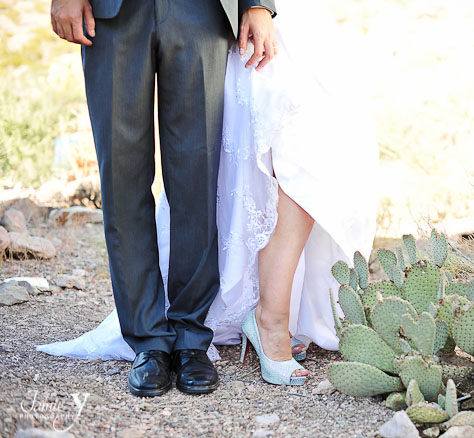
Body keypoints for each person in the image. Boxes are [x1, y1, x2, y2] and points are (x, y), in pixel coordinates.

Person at [40, 0, 379, 390]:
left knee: (198, 177)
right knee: (122, 172)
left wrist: (256, 4)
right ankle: (148, 340)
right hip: (112, 11)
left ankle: (190, 337)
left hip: (200, 10)